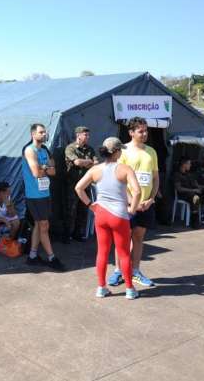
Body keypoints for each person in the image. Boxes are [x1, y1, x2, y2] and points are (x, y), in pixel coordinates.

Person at [75, 137, 141, 299]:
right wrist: (132, 209)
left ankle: (101, 287)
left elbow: (78, 188)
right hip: (119, 215)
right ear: (117, 151)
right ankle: (130, 290)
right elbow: (137, 192)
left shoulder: (95, 169)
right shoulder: (125, 169)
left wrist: (91, 205)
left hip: (101, 214)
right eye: (120, 150)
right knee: (124, 253)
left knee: (102, 252)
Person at [109, 117, 158, 288]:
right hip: (126, 204)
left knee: (138, 238)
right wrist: (132, 202)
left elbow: (155, 177)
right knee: (122, 239)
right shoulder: (123, 151)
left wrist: (151, 199)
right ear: (131, 132)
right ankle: (118, 271)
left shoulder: (151, 151)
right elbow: (119, 179)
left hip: (146, 205)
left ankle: (135, 271)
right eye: (141, 131)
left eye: (146, 130)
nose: (144, 134)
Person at [21, 123, 66, 271]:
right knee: (44, 226)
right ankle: (52, 257)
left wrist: (44, 168)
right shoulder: (30, 150)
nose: (44, 134)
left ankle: (32, 256)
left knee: (39, 225)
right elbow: (36, 173)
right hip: (34, 195)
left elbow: (53, 172)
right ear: (33, 134)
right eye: (41, 132)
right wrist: (46, 168)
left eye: (45, 132)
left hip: (44, 193)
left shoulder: (44, 151)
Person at [64, 126, 98, 242]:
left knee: (83, 209)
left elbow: (96, 163)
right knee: (71, 210)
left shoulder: (90, 149)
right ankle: (67, 234)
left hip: (86, 184)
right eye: (85, 135)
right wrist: (89, 162)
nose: (87, 137)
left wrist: (86, 163)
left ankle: (77, 233)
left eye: (88, 135)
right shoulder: (71, 148)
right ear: (78, 135)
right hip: (73, 184)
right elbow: (77, 162)